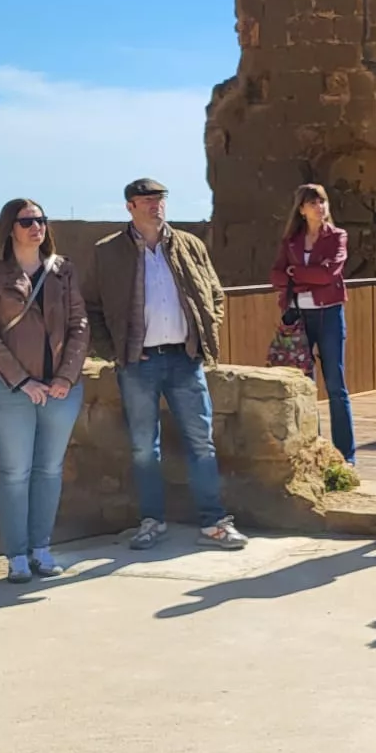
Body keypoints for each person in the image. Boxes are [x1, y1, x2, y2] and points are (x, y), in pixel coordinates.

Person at [86, 178, 248, 552]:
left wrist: (203, 336)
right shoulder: (108, 252)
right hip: (137, 363)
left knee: (201, 442)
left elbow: (214, 295)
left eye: (159, 198)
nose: (155, 205)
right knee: (144, 447)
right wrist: (115, 350)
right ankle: (151, 522)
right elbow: (91, 307)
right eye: (146, 200)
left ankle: (213, 523)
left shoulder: (189, 245)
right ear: (130, 206)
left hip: (184, 359)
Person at [0, 199, 90, 583]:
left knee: (50, 469)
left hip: (59, 389)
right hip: (7, 388)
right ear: (10, 227)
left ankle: (41, 548)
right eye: (27, 221)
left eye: (41, 220)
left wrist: (65, 377)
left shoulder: (62, 270)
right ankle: (17, 555)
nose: (36, 226)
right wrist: (22, 381)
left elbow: (80, 325)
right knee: (15, 471)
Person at [271, 184, 356, 463]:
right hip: (299, 317)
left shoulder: (337, 236)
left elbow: (328, 274)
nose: (320, 207)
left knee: (336, 385)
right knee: (305, 386)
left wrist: (296, 274)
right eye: (313, 203)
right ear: (301, 209)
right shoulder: (291, 241)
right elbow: (276, 276)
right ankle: (313, 452)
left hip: (329, 314)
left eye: (323, 201)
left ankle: (345, 456)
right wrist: (304, 276)